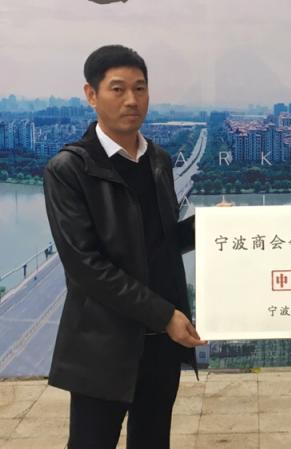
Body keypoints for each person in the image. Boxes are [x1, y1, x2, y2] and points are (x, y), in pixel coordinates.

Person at [43, 45, 205, 449]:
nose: (131, 100)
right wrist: (165, 314)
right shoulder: (70, 169)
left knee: (152, 441)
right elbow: (87, 267)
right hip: (103, 346)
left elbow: (161, 242)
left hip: (160, 343)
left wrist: (213, 228)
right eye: (118, 89)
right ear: (91, 94)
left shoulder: (158, 161)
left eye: (140, 88)